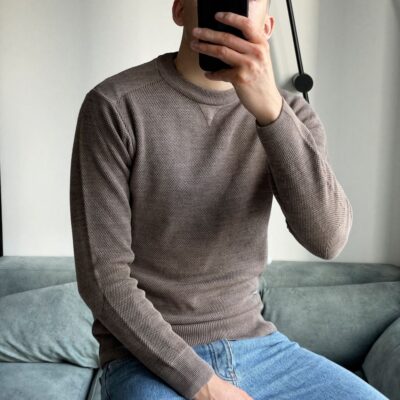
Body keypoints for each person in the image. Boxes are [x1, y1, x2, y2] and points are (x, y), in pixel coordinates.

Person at [69, 0, 387, 399]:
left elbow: (328, 240)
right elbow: (103, 279)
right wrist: (204, 386)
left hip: (261, 349)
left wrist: (271, 113)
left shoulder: (293, 115)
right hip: (146, 359)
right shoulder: (114, 105)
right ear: (180, 9)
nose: (229, 11)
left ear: (267, 27)